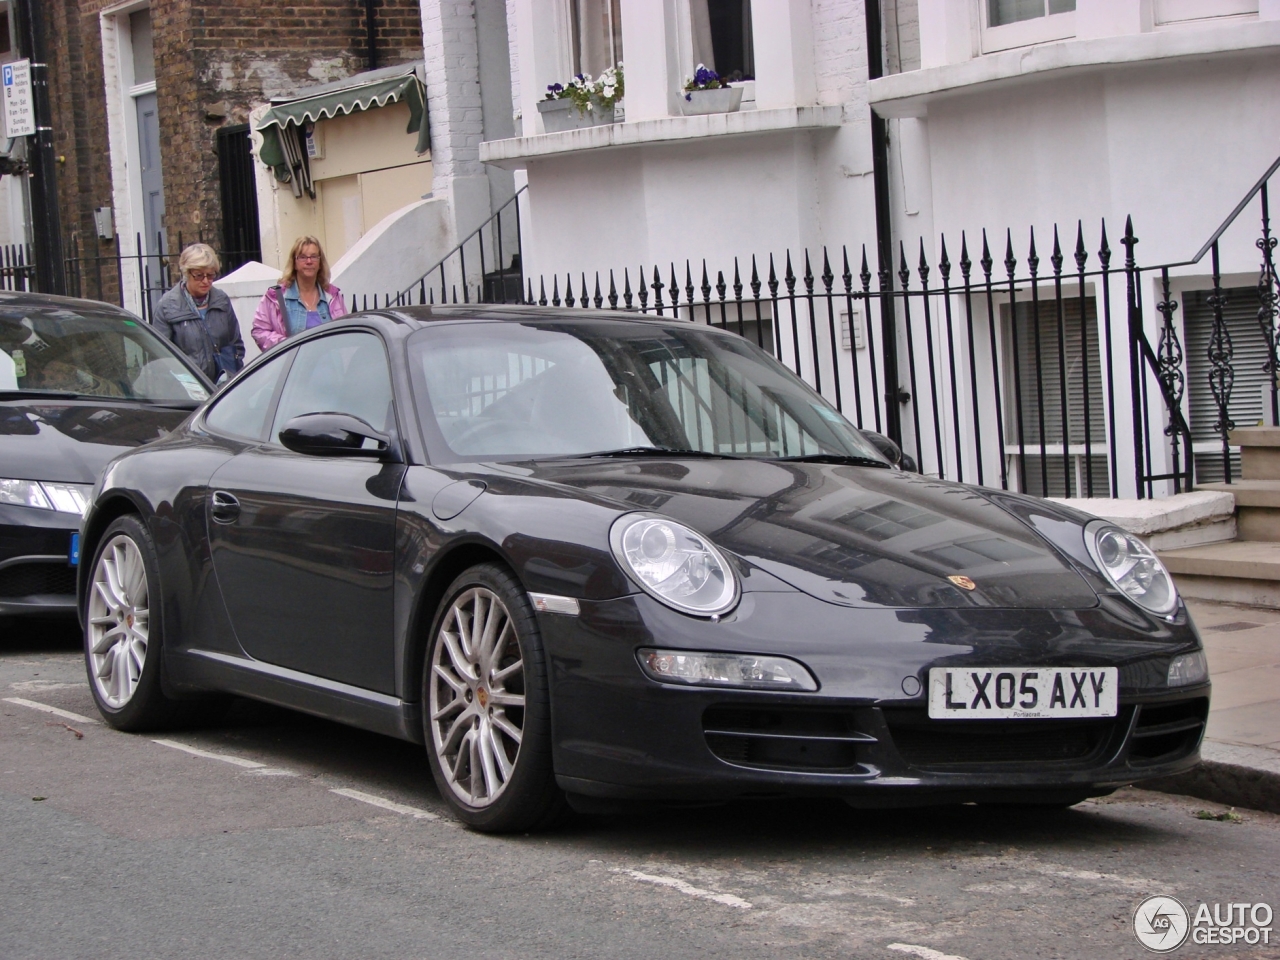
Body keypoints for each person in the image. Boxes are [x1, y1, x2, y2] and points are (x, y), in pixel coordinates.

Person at [151, 244, 244, 383]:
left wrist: (231, 373)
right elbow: (160, 356)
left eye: (211, 275)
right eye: (199, 276)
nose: (206, 281)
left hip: (224, 386)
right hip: (188, 389)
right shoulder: (167, 306)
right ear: (187, 274)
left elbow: (236, 344)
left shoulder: (222, 300)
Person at [252, 236, 348, 351]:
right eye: (303, 257)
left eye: (314, 257)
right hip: (296, 368)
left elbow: (346, 332)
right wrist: (286, 345)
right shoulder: (276, 297)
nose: (309, 261)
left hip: (332, 367)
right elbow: (259, 331)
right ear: (294, 263)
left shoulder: (332, 296)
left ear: (320, 263)